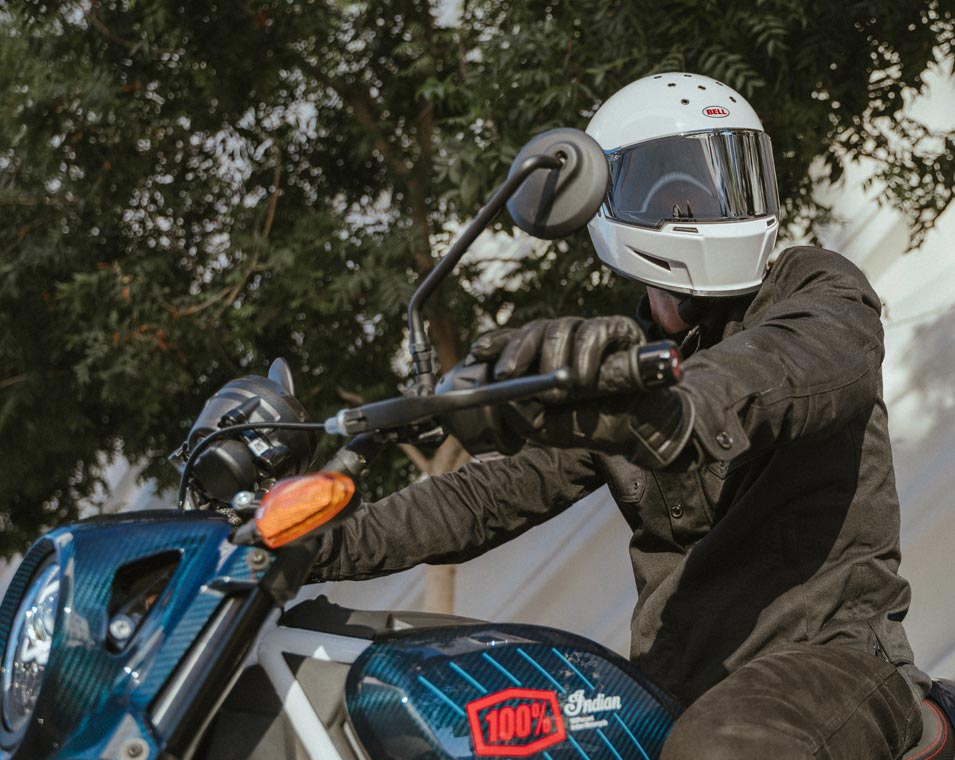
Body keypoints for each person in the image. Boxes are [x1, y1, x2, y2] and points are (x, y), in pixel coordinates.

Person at [312, 72, 929, 758]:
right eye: (672, 190)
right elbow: (482, 496)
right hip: (672, 688)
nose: (701, 207)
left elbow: (778, 369)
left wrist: (662, 407)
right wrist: (310, 543)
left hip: (832, 661)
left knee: (721, 749)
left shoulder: (814, 291)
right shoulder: (618, 370)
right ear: (607, 202)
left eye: (726, 177)